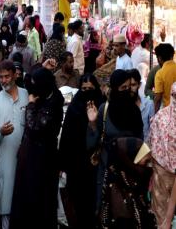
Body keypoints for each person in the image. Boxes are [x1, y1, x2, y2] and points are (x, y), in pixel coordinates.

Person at [10, 67, 64, 229]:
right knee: (25, 197)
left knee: (39, 199)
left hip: (42, 160)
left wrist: (31, 106)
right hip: (30, 157)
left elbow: (35, 128)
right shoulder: (44, 95)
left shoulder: (53, 103)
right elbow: (29, 79)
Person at [87, 69, 144, 215]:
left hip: (130, 172)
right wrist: (93, 124)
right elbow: (92, 143)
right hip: (108, 171)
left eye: (128, 87)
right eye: (122, 88)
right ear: (114, 88)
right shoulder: (104, 110)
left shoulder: (135, 112)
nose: (126, 91)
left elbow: (140, 142)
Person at [59, 73, 103, 229]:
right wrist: (62, 164)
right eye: (84, 89)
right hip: (76, 166)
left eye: (90, 89)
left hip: (95, 166)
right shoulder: (74, 108)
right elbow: (65, 137)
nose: (87, 92)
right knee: (77, 204)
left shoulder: (102, 107)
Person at [0, 60, 28, 229]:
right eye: (1, 77)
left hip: (27, 156)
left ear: (14, 75)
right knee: (6, 197)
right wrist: (1, 132)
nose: (4, 80)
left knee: (25, 195)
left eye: (7, 76)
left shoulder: (27, 95)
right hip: (7, 157)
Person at [99, 137, 155, 228]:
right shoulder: (117, 189)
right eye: (146, 162)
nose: (149, 167)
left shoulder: (131, 182)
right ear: (132, 157)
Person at [148, 82, 176, 227]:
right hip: (162, 177)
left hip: (167, 177)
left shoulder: (161, 116)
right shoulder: (161, 117)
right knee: (162, 219)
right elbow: (152, 143)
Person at [129, 69, 155, 140]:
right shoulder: (123, 106)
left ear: (139, 85)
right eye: (128, 85)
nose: (130, 89)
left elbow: (153, 130)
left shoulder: (149, 104)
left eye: (133, 85)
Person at [154, 43, 176, 112]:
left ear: (160, 58)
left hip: (168, 112)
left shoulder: (160, 74)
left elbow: (158, 99)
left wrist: (155, 115)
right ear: (171, 56)